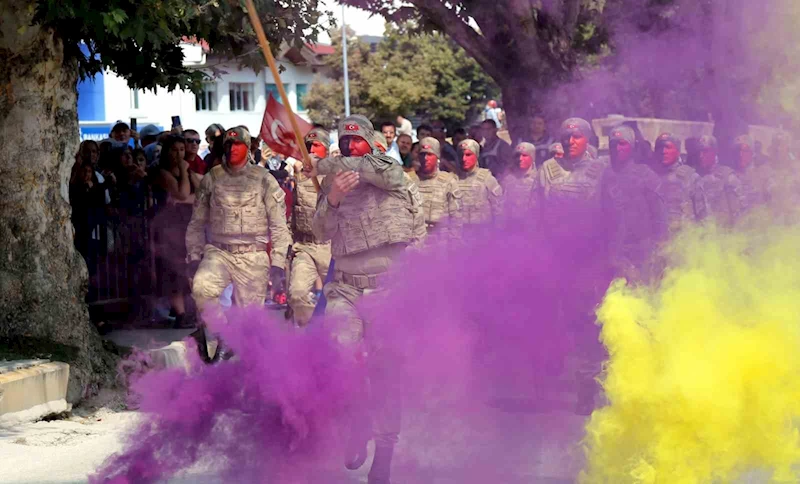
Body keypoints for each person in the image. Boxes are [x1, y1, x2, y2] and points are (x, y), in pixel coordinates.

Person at [313, 115, 425, 484]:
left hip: (388, 290)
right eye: (344, 143)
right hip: (345, 289)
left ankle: (385, 450)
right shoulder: (334, 184)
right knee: (341, 362)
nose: (349, 148)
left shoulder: (393, 175)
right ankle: (357, 422)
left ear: (372, 143)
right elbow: (319, 231)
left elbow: (419, 234)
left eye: (356, 141)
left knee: (386, 372)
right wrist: (333, 197)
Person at [186, 126, 291, 362]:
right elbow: (196, 223)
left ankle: (252, 367)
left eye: (238, 144)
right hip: (219, 251)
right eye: (228, 144)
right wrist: (193, 256)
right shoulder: (212, 178)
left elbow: (279, 225)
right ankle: (225, 335)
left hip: (253, 254)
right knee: (202, 289)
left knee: (249, 320)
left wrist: (278, 262)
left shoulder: (264, 179)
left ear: (248, 148)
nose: (232, 149)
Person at [530, 118, 608, 415]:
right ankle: (546, 385)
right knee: (550, 322)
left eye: (576, 137)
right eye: (566, 137)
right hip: (554, 257)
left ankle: (586, 388)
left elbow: (611, 216)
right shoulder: (547, 170)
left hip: (587, 260)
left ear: (587, 140)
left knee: (586, 324)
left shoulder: (601, 171)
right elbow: (535, 215)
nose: (570, 141)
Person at [600, 126, 666, 282]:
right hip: (611, 252)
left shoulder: (646, 175)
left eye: (622, 143)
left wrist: (659, 247)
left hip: (641, 252)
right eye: (613, 144)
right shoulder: (603, 175)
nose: (618, 148)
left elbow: (659, 214)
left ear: (632, 146)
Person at [288, 128, 332, 326]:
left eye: (316, 146)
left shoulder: (337, 177)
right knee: (297, 294)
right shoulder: (300, 178)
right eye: (307, 146)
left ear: (327, 151)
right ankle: (311, 333)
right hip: (305, 247)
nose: (311, 150)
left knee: (337, 301)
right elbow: (293, 214)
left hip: (331, 248)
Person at [150, 135, 194, 328]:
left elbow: (202, 194)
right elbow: (182, 193)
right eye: (174, 150)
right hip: (168, 227)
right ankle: (180, 314)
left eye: (181, 150)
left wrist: (185, 198)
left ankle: (185, 311)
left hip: (187, 225)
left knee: (187, 270)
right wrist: (184, 171)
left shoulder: (189, 172)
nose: (179, 154)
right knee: (173, 271)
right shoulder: (161, 173)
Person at [651, 132, 702, 234]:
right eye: (660, 148)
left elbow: (703, 216)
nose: (663, 151)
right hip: (657, 240)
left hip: (684, 239)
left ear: (678, 151)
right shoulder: (649, 178)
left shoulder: (691, 177)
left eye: (668, 147)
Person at [416, 137, 462, 245]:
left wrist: (454, 243)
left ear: (437, 157)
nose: (425, 158)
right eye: (422, 154)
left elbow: (456, 217)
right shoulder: (411, 180)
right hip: (417, 241)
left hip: (441, 241)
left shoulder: (449, 182)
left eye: (429, 154)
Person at [694, 135, 743, 226]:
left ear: (714, 151)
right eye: (699, 152)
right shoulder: (695, 178)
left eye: (705, 151)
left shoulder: (727, 177)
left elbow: (738, 215)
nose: (701, 155)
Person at [456, 139, 503, 228]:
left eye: (468, 155)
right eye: (461, 155)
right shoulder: (453, 179)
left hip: (482, 230)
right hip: (459, 231)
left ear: (476, 155)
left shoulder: (487, 179)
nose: (464, 159)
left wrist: (498, 231)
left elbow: (499, 208)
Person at [731, 134, 774, 212]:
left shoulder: (764, 174)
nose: (740, 154)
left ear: (752, 153)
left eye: (745, 151)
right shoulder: (729, 178)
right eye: (738, 150)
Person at [499, 142, 537, 224]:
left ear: (532, 157)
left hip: (533, 224)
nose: (520, 159)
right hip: (511, 224)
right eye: (517, 156)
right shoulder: (507, 178)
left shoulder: (539, 178)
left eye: (524, 155)